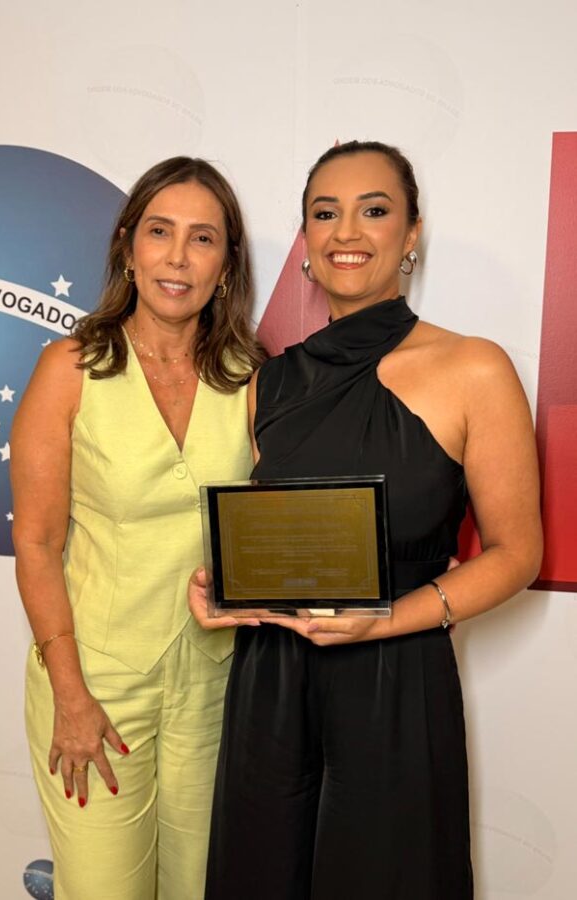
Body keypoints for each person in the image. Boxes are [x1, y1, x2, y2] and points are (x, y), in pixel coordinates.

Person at [189, 140, 543, 899]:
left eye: (373, 210)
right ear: (306, 242)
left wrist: (384, 621)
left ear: (411, 233)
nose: (346, 231)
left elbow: (517, 554)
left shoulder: (475, 368)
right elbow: (275, 539)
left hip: (397, 679)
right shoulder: (266, 383)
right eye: (325, 214)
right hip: (271, 682)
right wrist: (223, 587)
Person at [11, 156, 264, 900]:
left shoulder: (251, 374)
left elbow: (270, 526)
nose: (178, 257)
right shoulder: (69, 367)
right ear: (128, 246)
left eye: (202, 238)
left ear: (225, 265)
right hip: (94, 685)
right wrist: (71, 696)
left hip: (213, 687)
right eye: (160, 232)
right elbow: (35, 544)